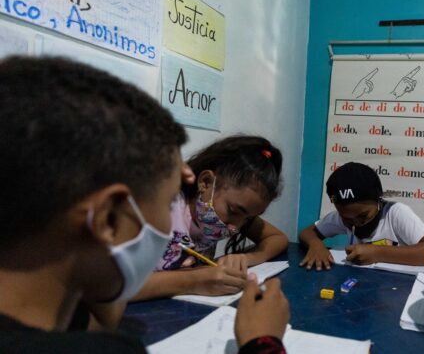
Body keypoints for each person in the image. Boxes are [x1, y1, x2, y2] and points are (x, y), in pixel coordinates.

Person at [0, 56, 289, 353]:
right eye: (165, 203)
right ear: (108, 218)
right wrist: (262, 342)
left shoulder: (73, 319)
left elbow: (104, 319)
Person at [135, 136, 289, 300]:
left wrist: (246, 258)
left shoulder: (236, 216)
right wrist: (193, 281)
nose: (235, 227)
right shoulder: (157, 209)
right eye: (233, 210)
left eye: (248, 218)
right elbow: (111, 286)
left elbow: (277, 238)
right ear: (206, 182)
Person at [298, 162, 424, 270]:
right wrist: (315, 245)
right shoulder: (341, 217)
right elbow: (307, 232)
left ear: (378, 201)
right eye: (347, 219)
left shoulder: (395, 213)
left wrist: (378, 253)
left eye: (363, 216)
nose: (356, 223)